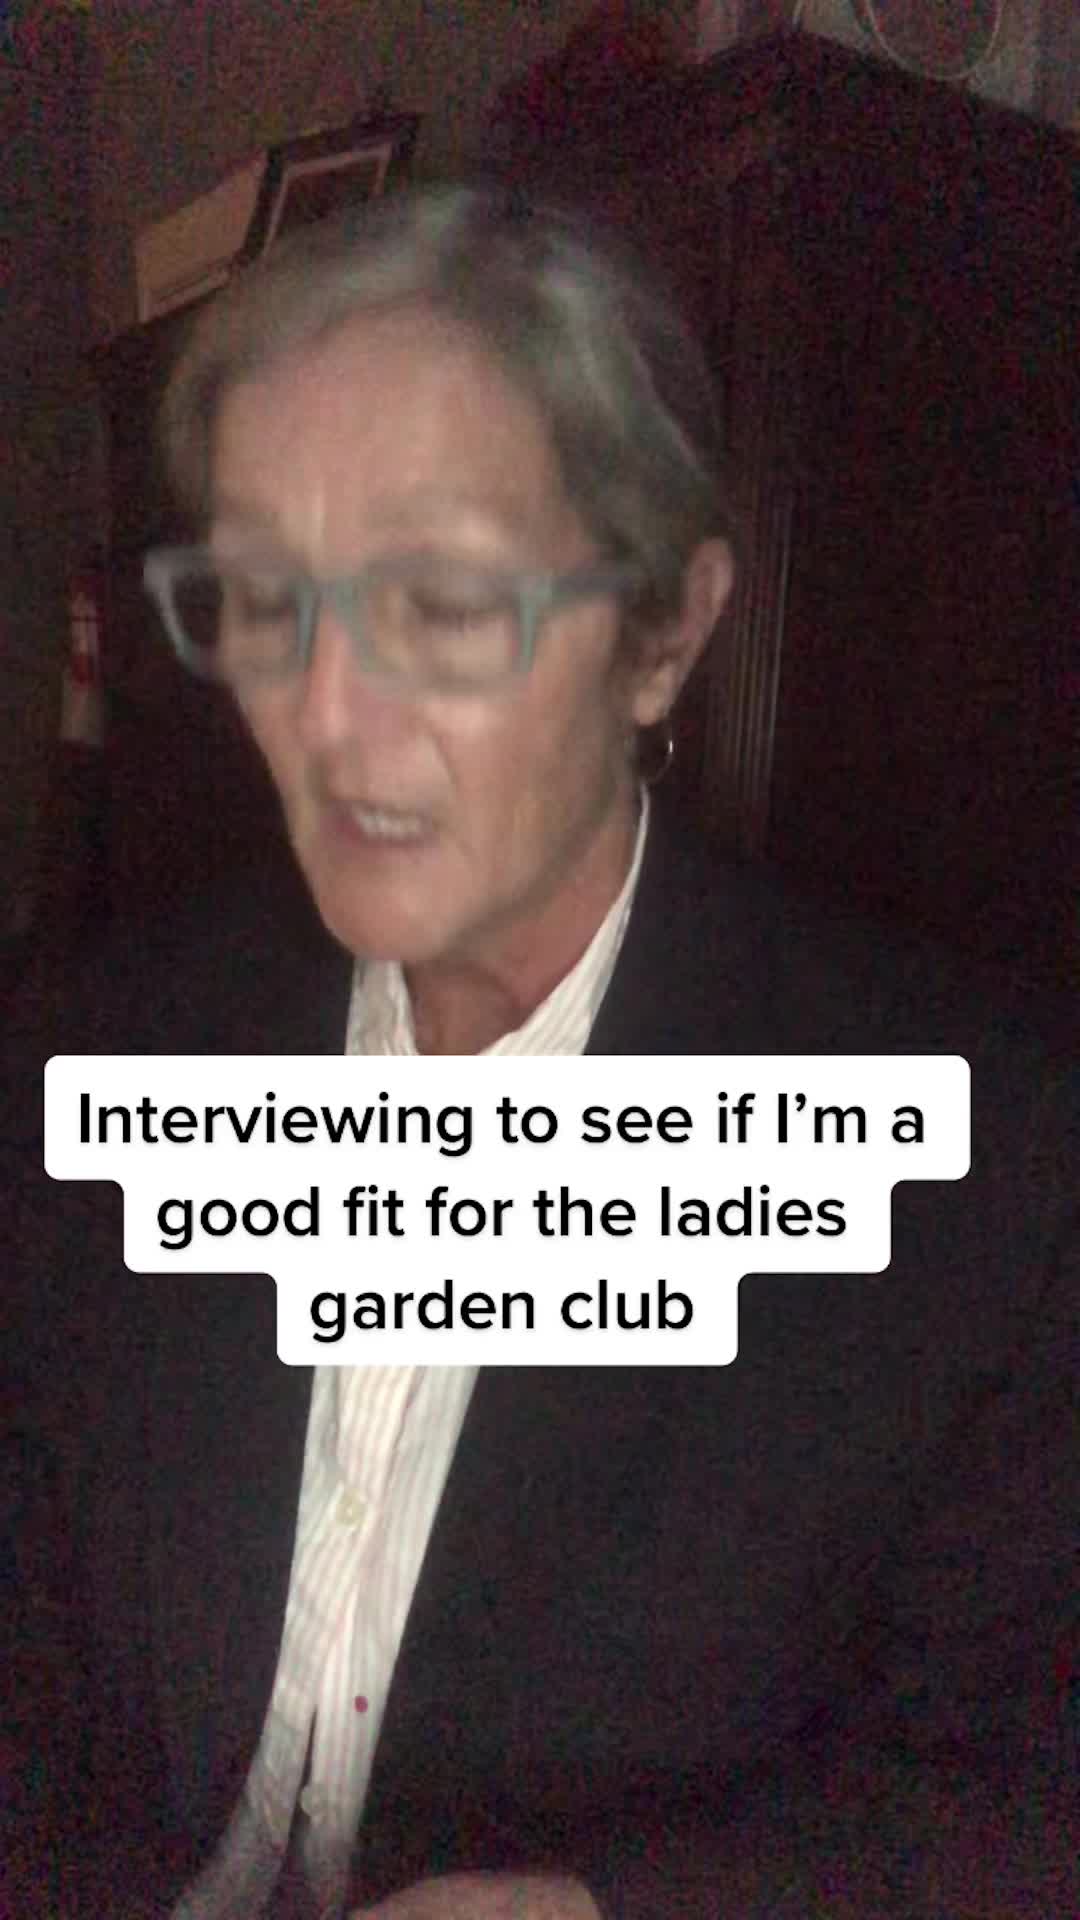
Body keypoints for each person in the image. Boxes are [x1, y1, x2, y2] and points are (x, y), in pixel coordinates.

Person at [7, 187, 1076, 1920]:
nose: (327, 716)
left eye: (441, 600)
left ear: (664, 633)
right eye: (266, 599)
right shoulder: (102, 1046)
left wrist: (605, 1910)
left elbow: (1016, 1793)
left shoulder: (986, 1175)